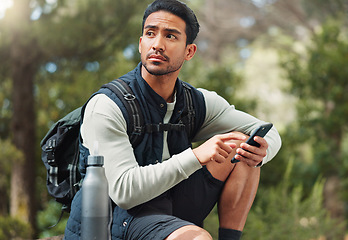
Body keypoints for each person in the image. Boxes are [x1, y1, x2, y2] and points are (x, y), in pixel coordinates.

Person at [64, 0, 281, 239]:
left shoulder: (194, 101)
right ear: (140, 44)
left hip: (169, 206)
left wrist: (262, 152)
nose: (157, 44)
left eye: (170, 36)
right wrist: (197, 155)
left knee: (243, 145)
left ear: (189, 51)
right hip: (115, 219)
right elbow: (124, 192)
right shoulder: (107, 105)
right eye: (150, 34)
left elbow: (268, 133)